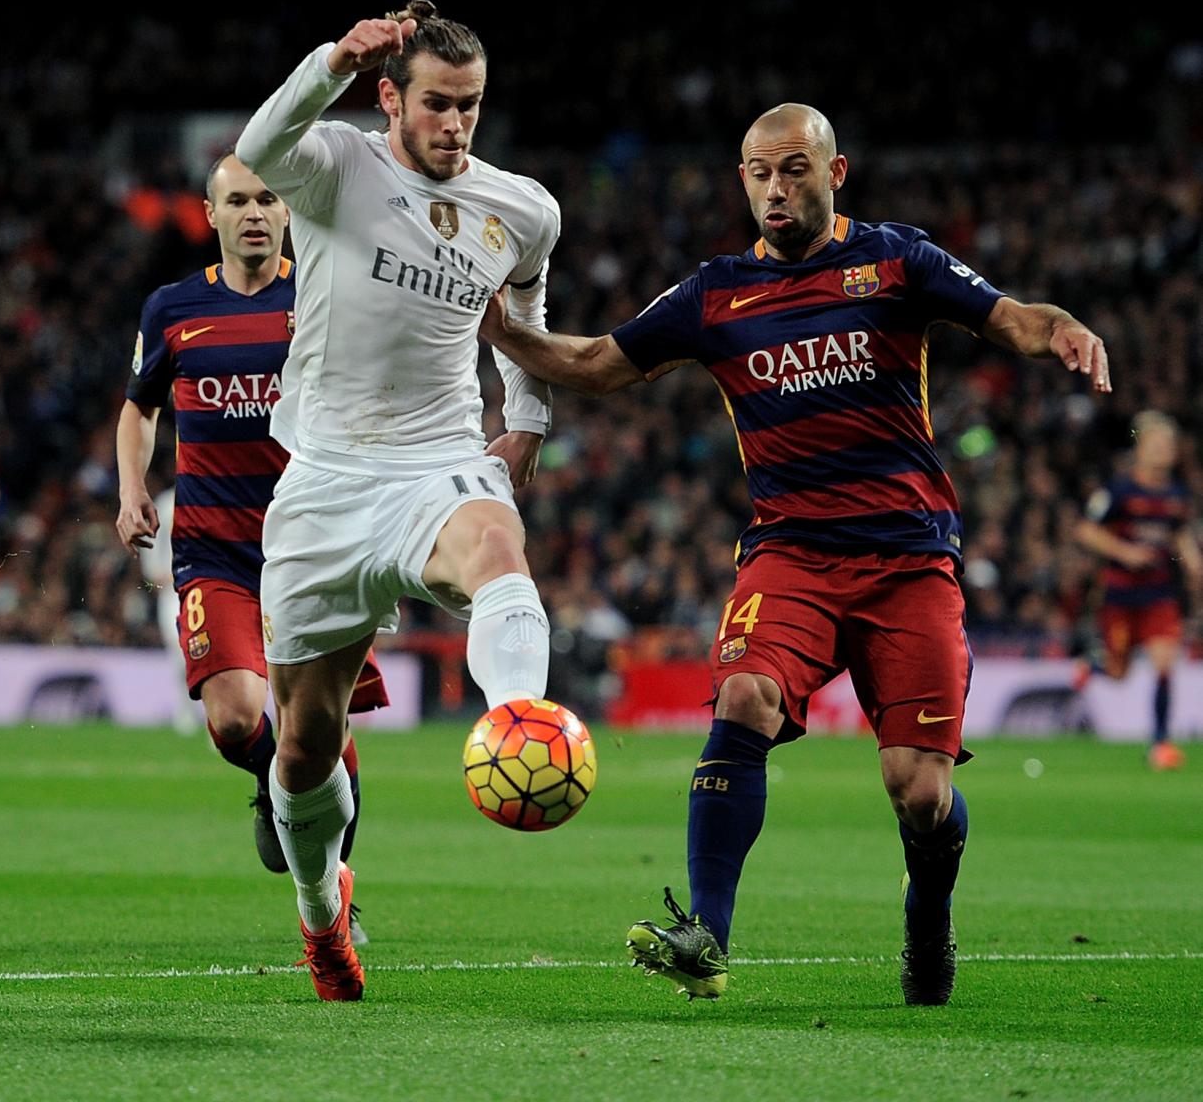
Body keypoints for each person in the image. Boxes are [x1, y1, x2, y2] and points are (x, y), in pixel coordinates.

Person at [477, 104, 1112, 1005]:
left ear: (834, 173)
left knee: (919, 793)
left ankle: (928, 915)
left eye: (794, 170)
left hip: (908, 560)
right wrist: (505, 332)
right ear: (743, 181)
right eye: (759, 173)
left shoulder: (897, 260)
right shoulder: (715, 294)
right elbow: (597, 363)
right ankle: (707, 933)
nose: (775, 188)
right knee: (744, 694)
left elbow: (1010, 317)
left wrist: (1062, 328)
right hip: (791, 555)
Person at [236, 0, 562, 1000]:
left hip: (438, 460)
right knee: (303, 746)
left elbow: (527, 302)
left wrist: (526, 415)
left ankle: (520, 725)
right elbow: (257, 146)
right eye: (436, 104)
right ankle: (319, 913)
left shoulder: (522, 209)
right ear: (390, 97)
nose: (455, 123)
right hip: (326, 478)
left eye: (470, 105)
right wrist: (330, 60)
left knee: (496, 549)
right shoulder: (337, 164)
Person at [116, 155, 388, 945]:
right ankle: (278, 791)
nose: (255, 213)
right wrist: (132, 489)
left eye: (268, 198)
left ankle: (333, 895)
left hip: (314, 548)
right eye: (237, 200)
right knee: (237, 719)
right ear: (211, 214)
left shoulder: (326, 295)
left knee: (327, 734)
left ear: (289, 209)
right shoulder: (173, 307)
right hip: (214, 550)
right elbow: (139, 407)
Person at [1074, 411, 1200, 770]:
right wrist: (1124, 552)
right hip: (1120, 593)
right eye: (1156, 444)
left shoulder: (1176, 494)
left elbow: (1178, 533)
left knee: (1164, 663)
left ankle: (1160, 743)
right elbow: (1085, 530)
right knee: (1118, 673)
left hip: (1159, 593)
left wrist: (1193, 563)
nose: (1163, 451)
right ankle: (1094, 664)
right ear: (1140, 448)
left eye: (1168, 445)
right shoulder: (1118, 491)